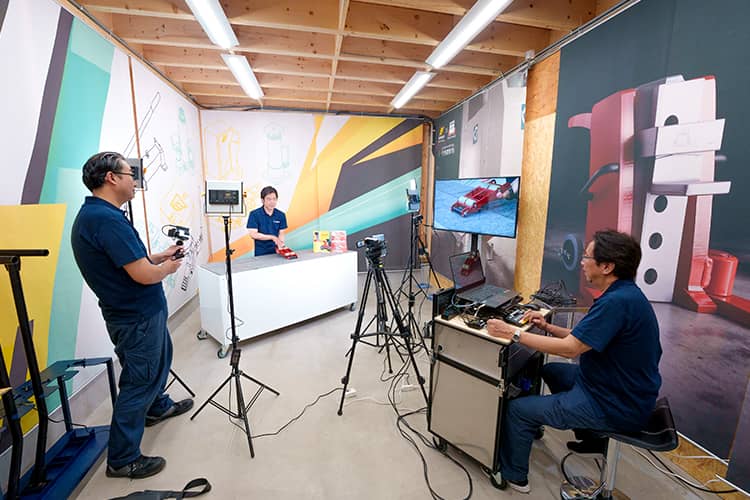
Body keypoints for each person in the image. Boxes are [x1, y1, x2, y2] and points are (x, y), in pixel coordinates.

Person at [485, 229, 662, 493]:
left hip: (613, 404)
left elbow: (571, 349)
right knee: (551, 371)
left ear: (607, 266)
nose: (581, 262)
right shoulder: (624, 295)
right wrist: (547, 326)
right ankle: (592, 437)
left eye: (587, 257)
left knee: (518, 410)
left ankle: (515, 476)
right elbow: (584, 337)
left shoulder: (616, 302)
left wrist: (513, 332)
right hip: (613, 387)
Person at [71, 152, 194, 479]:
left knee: (158, 363)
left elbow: (131, 261)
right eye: (130, 174)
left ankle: (157, 408)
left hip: (139, 312)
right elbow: (142, 274)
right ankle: (123, 458)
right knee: (139, 381)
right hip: (136, 316)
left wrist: (160, 256)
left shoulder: (99, 215)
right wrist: (168, 268)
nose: (135, 181)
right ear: (111, 178)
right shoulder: (105, 220)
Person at [246, 186, 288, 256]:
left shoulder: (281, 215)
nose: (272, 202)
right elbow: (253, 234)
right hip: (261, 252)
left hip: (276, 252)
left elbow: (281, 233)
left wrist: (281, 244)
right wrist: (272, 237)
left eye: (274, 199)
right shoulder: (254, 214)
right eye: (269, 199)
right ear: (262, 200)